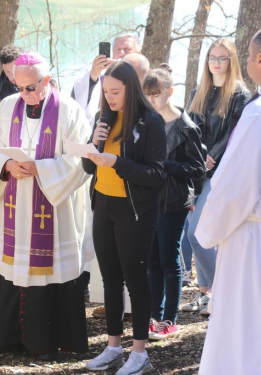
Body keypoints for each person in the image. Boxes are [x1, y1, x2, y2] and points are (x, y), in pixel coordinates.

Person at [0, 51, 94, 361]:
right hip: (15, 208)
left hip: (52, 211)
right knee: (15, 270)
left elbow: (81, 161)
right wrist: (6, 165)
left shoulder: (70, 111)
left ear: (47, 80)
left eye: (31, 87)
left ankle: (47, 341)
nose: (25, 94)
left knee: (49, 270)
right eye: (19, 87)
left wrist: (41, 170)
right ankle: (12, 339)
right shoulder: (6, 108)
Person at [82, 61, 166, 374]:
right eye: (106, 92)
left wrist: (117, 161)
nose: (110, 97)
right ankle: (114, 346)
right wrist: (93, 145)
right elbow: (89, 168)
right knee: (110, 280)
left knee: (136, 280)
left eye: (116, 92)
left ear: (131, 89)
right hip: (104, 206)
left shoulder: (151, 122)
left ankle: (139, 353)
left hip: (135, 212)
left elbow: (156, 175)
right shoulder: (103, 118)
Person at [195, 29, 261, 375]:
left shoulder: (256, 114)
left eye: (249, 56)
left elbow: (235, 189)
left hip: (250, 239)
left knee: (244, 328)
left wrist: (208, 231)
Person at [183, 38, 251, 316]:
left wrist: (212, 155)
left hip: (220, 172)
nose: (217, 63)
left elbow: (233, 133)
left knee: (198, 235)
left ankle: (220, 289)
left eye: (223, 58)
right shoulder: (199, 92)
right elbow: (186, 129)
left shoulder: (240, 95)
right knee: (192, 231)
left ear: (232, 61)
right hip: (194, 173)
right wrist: (195, 158)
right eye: (213, 57)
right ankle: (206, 294)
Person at [142, 65, 206, 340]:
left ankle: (170, 319)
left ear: (169, 92)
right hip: (150, 199)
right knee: (152, 261)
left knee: (170, 260)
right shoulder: (148, 121)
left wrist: (166, 164)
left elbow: (198, 168)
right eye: (148, 96)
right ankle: (154, 317)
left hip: (175, 200)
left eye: (156, 95)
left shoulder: (186, 126)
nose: (152, 101)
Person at [72, 33, 142, 126]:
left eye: (127, 49)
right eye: (118, 49)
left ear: (138, 53)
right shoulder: (101, 81)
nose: (121, 53)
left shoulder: (147, 78)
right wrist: (93, 75)